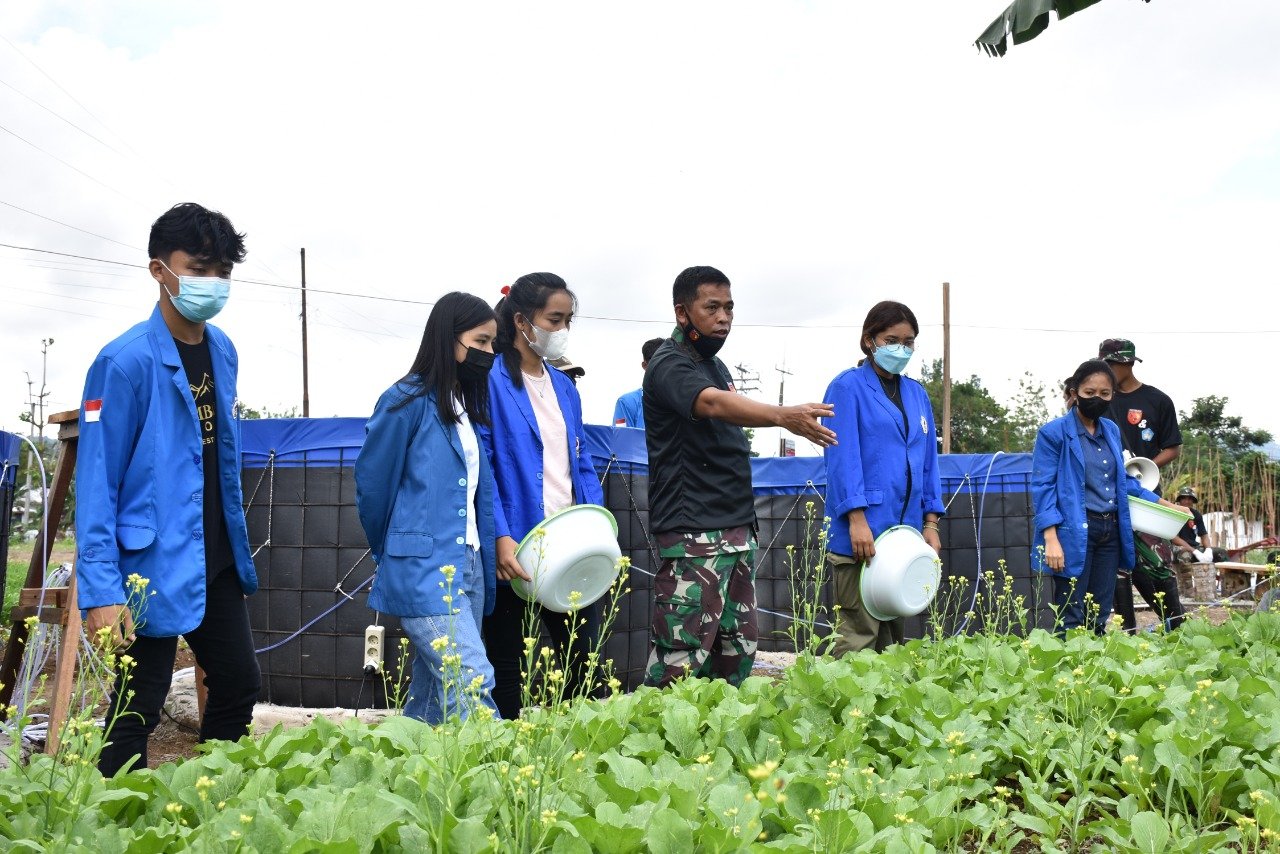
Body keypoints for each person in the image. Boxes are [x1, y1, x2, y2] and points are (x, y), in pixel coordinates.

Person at [77, 203, 260, 775]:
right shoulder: (124, 362)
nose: (214, 282)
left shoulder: (224, 350)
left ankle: (214, 801)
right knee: (140, 702)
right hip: (149, 560)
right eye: (200, 267)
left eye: (224, 270)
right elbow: (96, 484)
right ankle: (114, 819)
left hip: (216, 551)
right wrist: (101, 591)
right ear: (160, 270)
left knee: (237, 684)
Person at [642, 265, 836, 688]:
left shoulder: (715, 365)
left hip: (733, 527)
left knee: (736, 649)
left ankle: (716, 743)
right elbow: (710, 405)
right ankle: (655, 744)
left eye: (729, 307)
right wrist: (782, 416)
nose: (724, 316)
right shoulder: (668, 364)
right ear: (682, 312)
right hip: (694, 531)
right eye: (711, 307)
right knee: (681, 656)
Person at [355, 292, 500, 724]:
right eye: (482, 340)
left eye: (493, 343)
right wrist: (394, 552)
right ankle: (497, 779)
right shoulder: (404, 401)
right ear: (448, 339)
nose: (489, 353)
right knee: (469, 677)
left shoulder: (462, 407)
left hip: (467, 564)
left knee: (434, 693)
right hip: (423, 567)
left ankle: (409, 773)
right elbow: (372, 489)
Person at [479, 273, 604, 720]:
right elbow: (485, 465)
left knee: (585, 662)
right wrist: (500, 535)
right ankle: (509, 755)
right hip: (516, 545)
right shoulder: (489, 378)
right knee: (507, 664)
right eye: (554, 319)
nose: (562, 329)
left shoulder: (564, 387)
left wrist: (597, 526)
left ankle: (574, 752)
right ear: (521, 320)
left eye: (568, 319)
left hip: (569, 541)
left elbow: (580, 461)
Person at [822, 301, 945, 654]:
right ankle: (847, 706)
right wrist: (857, 519)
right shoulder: (847, 387)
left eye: (908, 342)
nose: (901, 349)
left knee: (893, 638)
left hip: (904, 535)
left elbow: (928, 463)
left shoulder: (917, 393)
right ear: (869, 341)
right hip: (864, 532)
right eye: (892, 339)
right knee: (858, 635)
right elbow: (842, 459)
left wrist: (931, 523)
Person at [1031, 360, 1178, 634]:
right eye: (1089, 393)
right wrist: (1051, 538)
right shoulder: (1054, 434)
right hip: (1074, 529)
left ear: (1112, 395)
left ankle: (1093, 673)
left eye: (1104, 394)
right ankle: (1067, 671)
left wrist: (1163, 503)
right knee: (1071, 612)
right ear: (1075, 392)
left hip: (1109, 530)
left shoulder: (1110, 429)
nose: (1096, 399)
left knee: (1098, 612)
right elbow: (1043, 487)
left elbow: (1122, 481)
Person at [1098, 338, 1188, 632]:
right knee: (1117, 567)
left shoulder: (1157, 400)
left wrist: (1144, 468)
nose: (1106, 370)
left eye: (1110, 364)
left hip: (1146, 494)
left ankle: (1176, 626)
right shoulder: (1101, 400)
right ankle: (1127, 632)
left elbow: (1172, 447)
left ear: (1127, 364)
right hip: (1108, 495)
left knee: (1154, 561)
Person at [613, 338, 665, 428]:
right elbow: (621, 439)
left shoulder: (683, 402)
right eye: (658, 365)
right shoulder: (626, 403)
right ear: (645, 366)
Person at [1170, 486, 1214, 563]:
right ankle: (1183, 575)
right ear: (1179, 500)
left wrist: (1208, 549)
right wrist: (1194, 551)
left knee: (1220, 553)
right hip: (1176, 546)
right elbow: (1174, 538)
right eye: (1184, 498)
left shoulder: (1196, 515)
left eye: (1190, 499)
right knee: (1185, 556)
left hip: (1193, 545)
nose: (1187, 501)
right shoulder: (1173, 513)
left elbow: (1203, 535)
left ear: (1193, 501)